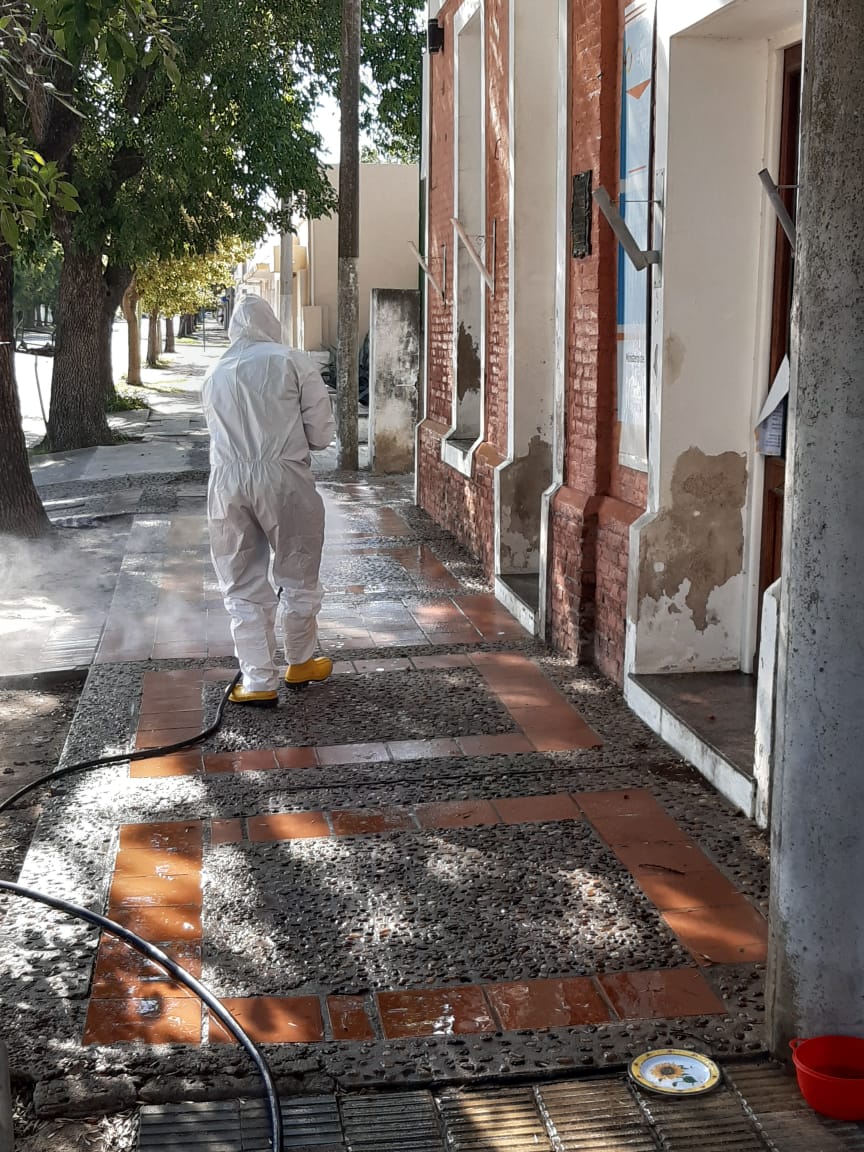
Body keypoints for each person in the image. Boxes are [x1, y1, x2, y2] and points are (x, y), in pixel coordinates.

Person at [202, 295, 336, 706]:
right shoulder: (292, 361)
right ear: (271, 323)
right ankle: (300, 661)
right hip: (284, 478)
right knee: (298, 569)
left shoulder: (214, 372)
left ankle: (258, 680)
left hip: (227, 482)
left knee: (241, 580)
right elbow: (321, 435)